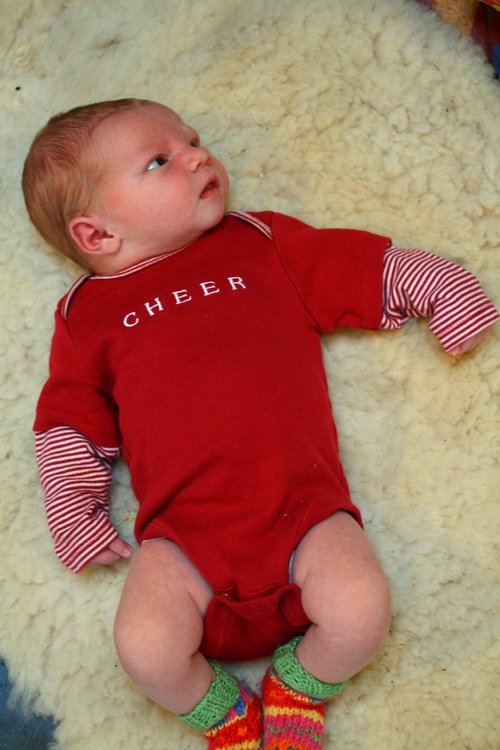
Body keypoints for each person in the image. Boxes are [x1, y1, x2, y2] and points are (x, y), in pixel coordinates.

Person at [22, 98, 499, 750]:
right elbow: (68, 421)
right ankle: (221, 711)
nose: (197, 155)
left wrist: (441, 286)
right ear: (97, 234)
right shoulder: (87, 315)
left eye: (192, 140)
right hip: (181, 542)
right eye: (159, 160)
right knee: (144, 649)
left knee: (362, 613)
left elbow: (356, 265)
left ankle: (300, 684)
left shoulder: (259, 244)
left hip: (304, 514)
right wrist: (74, 508)